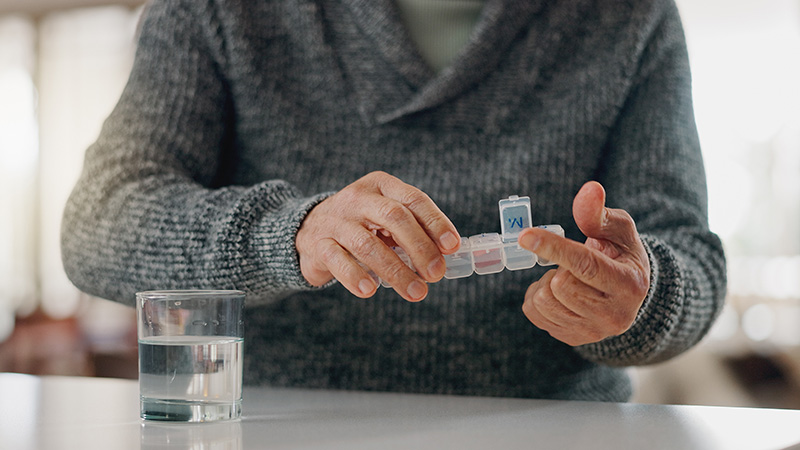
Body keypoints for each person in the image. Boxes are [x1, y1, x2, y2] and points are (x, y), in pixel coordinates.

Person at [61, 0, 727, 401]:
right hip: (278, 427)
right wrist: (290, 234)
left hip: (555, 424)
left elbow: (692, 258)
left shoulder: (630, 15)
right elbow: (97, 224)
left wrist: (640, 297)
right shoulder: (217, 11)